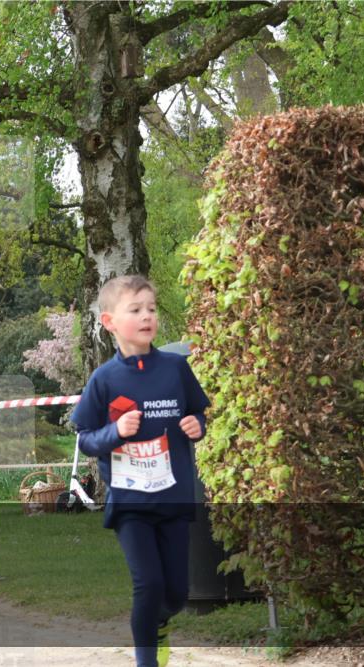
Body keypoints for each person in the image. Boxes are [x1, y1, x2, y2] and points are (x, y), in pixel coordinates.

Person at [71, 275, 210, 667]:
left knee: (177, 594)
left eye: (151, 308)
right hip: (130, 502)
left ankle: (160, 622)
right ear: (109, 321)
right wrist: (115, 432)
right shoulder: (104, 379)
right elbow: (84, 439)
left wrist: (196, 425)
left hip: (174, 497)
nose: (147, 316)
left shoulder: (176, 368)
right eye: (136, 310)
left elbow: (197, 412)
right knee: (147, 585)